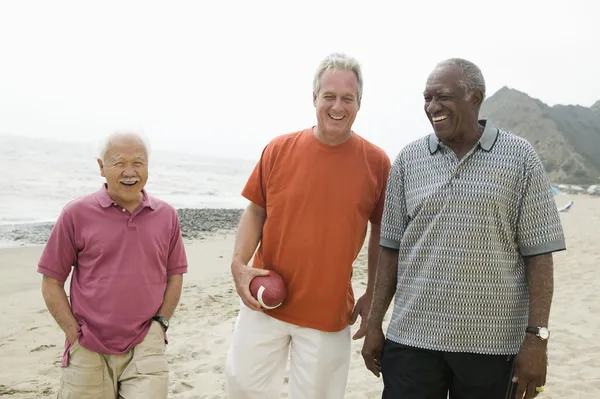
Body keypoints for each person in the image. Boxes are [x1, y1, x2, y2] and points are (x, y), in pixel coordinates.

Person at [361, 58, 566, 399]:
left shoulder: (520, 157)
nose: (432, 107)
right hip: (412, 339)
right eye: (427, 98)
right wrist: (374, 325)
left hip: (492, 344)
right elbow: (391, 250)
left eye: (443, 97)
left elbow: (540, 256)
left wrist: (537, 338)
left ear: (475, 98)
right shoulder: (409, 160)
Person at [224, 52, 391, 399]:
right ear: (314, 98)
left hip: (328, 311)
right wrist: (239, 266)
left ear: (360, 102)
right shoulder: (278, 149)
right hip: (264, 300)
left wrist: (373, 292)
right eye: (329, 96)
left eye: (347, 98)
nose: (337, 106)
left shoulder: (377, 163)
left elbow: (382, 233)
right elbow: (256, 211)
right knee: (242, 389)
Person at [37, 132, 188, 398]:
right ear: (101, 167)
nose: (129, 172)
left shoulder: (166, 216)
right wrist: (74, 335)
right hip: (87, 344)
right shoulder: (76, 213)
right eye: (119, 163)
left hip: (146, 344)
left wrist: (160, 325)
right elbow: (51, 281)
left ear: (147, 167)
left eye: (138, 163)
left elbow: (175, 276)